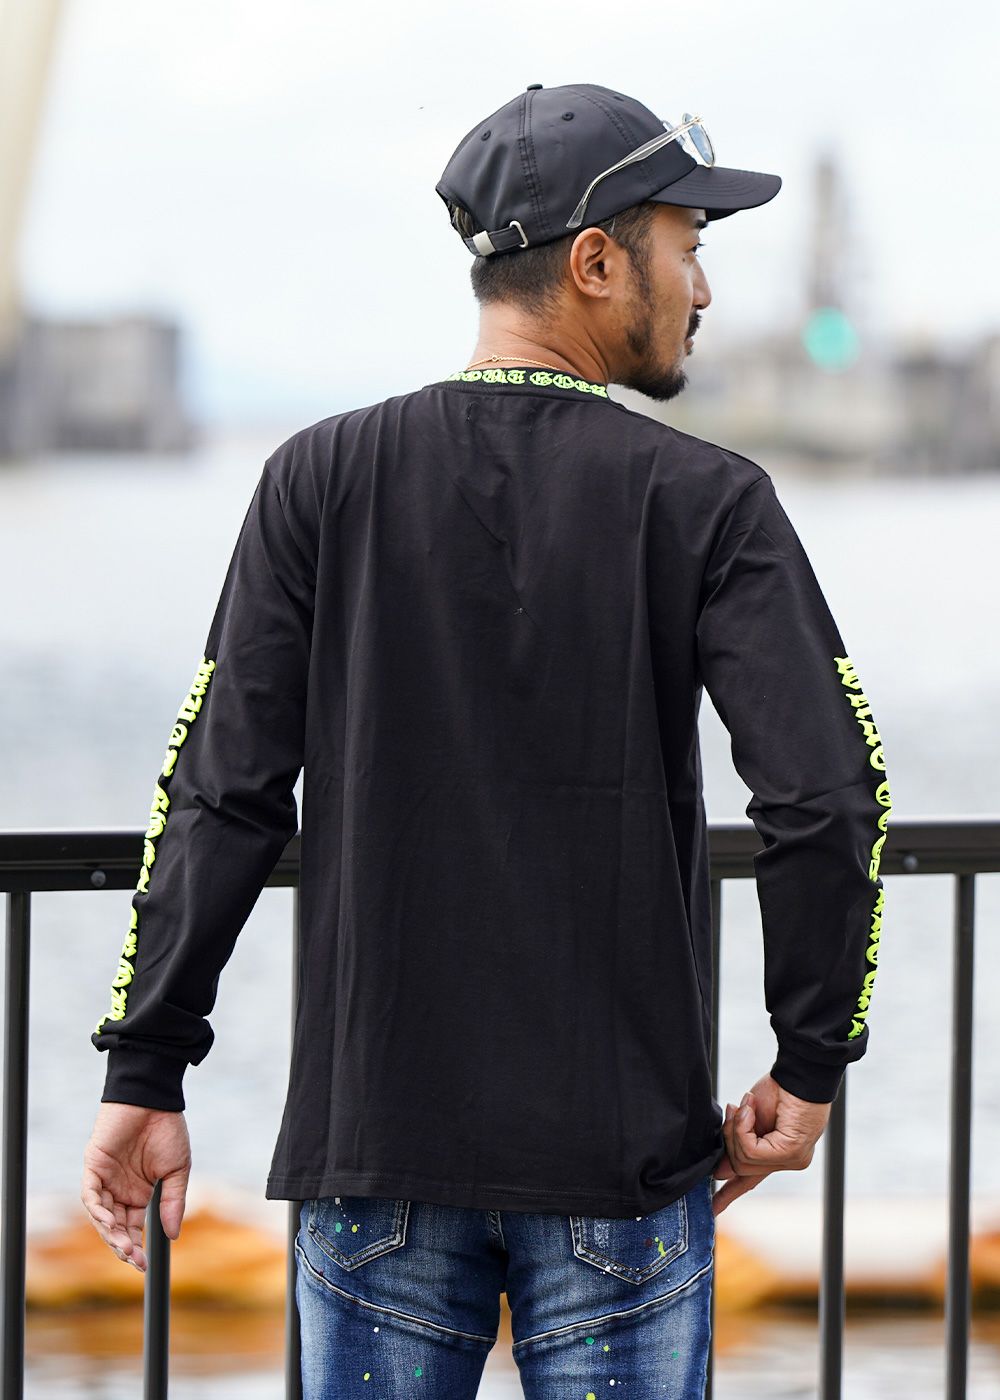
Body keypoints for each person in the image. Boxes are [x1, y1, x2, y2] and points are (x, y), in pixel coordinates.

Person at [81, 81, 891, 1398]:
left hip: (376, 1152)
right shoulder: (706, 499)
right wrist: (809, 1064)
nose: (703, 290)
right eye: (689, 246)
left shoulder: (316, 479)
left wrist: (147, 1064)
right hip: (620, 1165)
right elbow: (829, 797)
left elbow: (222, 794)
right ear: (596, 262)